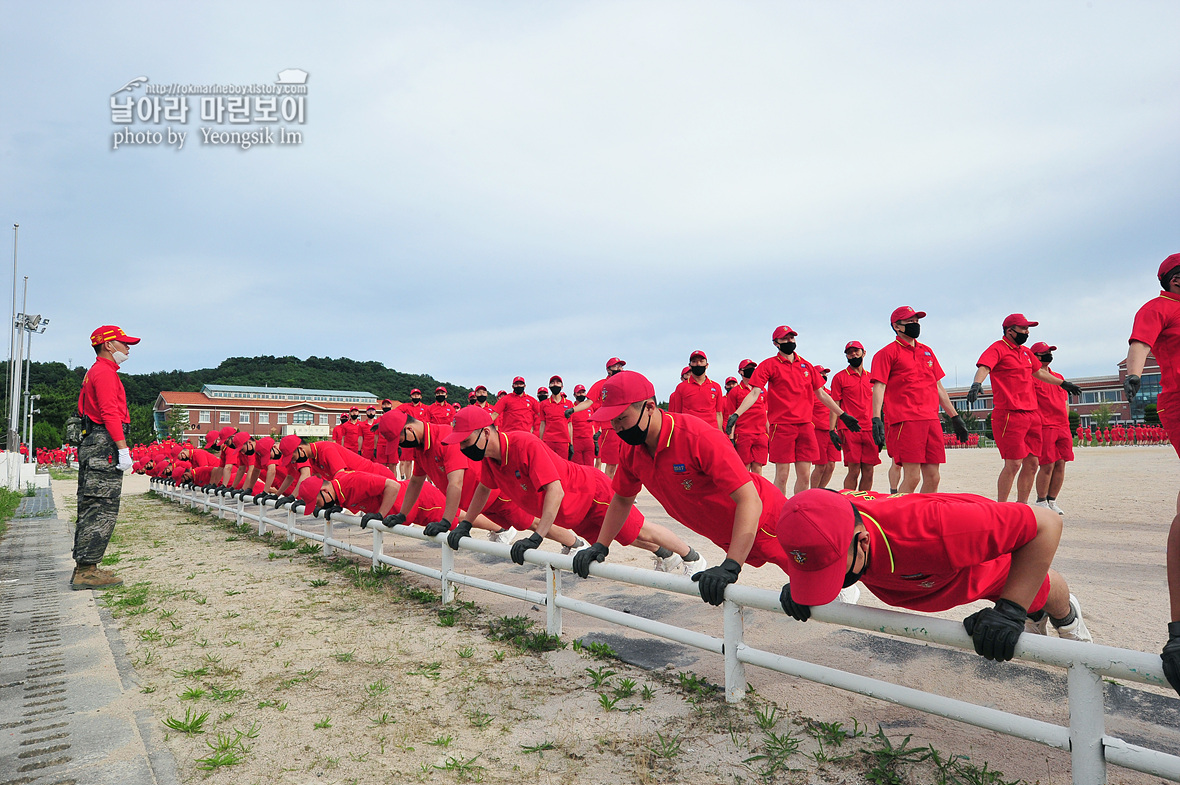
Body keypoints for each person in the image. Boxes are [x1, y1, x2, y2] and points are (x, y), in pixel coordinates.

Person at [577, 370, 843, 604]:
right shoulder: (632, 449)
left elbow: (749, 499)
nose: (616, 427)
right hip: (723, 528)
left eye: (621, 418)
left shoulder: (696, 437)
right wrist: (601, 546)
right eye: (611, 420)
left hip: (763, 520)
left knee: (820, 582)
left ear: (649, 407)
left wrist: (731, 565)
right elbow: (622, 500)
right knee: (809, 589)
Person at [775, 487, 1092, 661]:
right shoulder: (824, 518)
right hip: (908, 575)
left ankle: (1067, 618)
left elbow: (1048, 524)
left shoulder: (936, 528)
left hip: (961, 567)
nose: (827, 576)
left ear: (862, 540)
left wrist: (1010, 610)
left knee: (1041, 589)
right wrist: (806, 584)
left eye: (831, 569)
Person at [443, 406, 700, 572]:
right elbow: (483, 489)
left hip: (589, 493)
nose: (464, 449)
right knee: (627, 537)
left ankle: (692, 557)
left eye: (465, 441)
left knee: (640, 529)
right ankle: (666, 555)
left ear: (486, 432)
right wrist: (465, 524)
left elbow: (555, 490)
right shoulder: (491, 458)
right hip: (574, 511)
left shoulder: (524, 444)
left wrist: (537, 537)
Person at [379, 410, 583, 549]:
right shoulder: (420, 448)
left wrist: (446, 521)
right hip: (477, 500)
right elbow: (415, 481)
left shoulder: (444, 439)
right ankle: (502, 533)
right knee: (511, 523)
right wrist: (403, 515)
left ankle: (574, 544)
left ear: (409, 430)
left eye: (401, 441)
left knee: (529, 522)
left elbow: (455, 483)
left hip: (495, 494)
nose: (402, 446)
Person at [1126, 252, 1180, 697]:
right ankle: (1178, 628)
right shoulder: (1158, 307)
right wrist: (1134, 377)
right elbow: (1140, 344)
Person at [729, 325, 862, 496]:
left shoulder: (806, 365)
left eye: (792, 338)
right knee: (782, 475)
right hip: (782, 426)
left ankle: (799, 509)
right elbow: (755, 392)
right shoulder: (769, 365)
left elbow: (821, 394)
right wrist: (736, 414)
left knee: (805, 475)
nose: (789, 341)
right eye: (785, 339)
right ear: (776, 343)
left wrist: (842, 414)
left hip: (806, 426)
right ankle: (779, 512)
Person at [967, 314, 1083, 504]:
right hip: (1009, 414)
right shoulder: (998, 348)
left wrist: (1063, 383)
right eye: (1023, 329)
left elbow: (1038, 372)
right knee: (1013, 463)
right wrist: (976, 383)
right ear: (1009, 331)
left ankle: (1022, 506)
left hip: (1032, 415)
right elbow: (985, 366)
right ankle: (1002, 506)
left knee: (1032, 463)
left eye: (1028, 329)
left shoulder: (1027, 353)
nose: (1027, 332)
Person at [869, 306, 969, 494]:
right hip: (906, 420)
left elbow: (938, 386)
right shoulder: (887, 353)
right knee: (912, 477)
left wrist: (955, 417)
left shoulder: (927, 351)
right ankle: (897, 519)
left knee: (933, 477)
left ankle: (922, 518)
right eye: (910, 322)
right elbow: (879, 387)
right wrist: (876, 419)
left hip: (930, 419)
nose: (915, 325)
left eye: (917, 321)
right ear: (897, 326)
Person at [72, 325, 140, 590]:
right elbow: (110, 413)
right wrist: (122, 449)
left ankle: (86, 566)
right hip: (104, 443)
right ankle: (87, 570)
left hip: (96, 441)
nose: (128, 347)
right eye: (123, 343)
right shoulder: (104, 372)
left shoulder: (96, 372)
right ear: (108, 345)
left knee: (92, 505)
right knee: (101, 507)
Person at [828, 341, 879, 491]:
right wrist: (832, 429)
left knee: (869, 471)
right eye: (849, 352)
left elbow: (879, 403)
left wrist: (881, 426)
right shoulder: (840, 378)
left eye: (856, 351)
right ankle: (849, 502)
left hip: (870, 428)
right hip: (850, 429)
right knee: (854, 469)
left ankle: (864, 504)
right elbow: (834, 404)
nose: (853, 354)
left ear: (864, 353)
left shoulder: (872, 378)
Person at [1030, 342, 1074, 515]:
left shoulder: (1058, 377)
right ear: (1035, 357)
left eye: (1050, 352)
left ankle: (1052, 500)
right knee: (1047, 465)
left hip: (1062, 426)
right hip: (1045, 425)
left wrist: (1066, 420)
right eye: (1044, 353)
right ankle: (1041, 501)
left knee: (1061, 464)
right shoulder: (1032, 377)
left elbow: (1065, 401)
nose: (1048, 355)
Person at [568, 358, 628, 477]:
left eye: (621, 366)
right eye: (616, 366)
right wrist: (572, 410)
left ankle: (622, 493)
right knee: (611, 465)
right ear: (609, 370)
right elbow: (588, 402)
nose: (620, 369)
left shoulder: (625, 384)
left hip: (626, 428)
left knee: (625, 464)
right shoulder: (601, 385)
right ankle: (609, 493)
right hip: (610, 429)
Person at [725, 359, 768, 474]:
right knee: (745, 468)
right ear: (740, 372)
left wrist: (769, 434)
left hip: (760, 434)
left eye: (753, 368)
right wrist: (731, 438)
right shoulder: (735, 392)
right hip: (743, 434)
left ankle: (758, 492)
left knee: (758, 468)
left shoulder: (762, 390)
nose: (751, 371)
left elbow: (766, 413)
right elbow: (732, 415)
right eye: (747, 369)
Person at [668, 351, 724, 429]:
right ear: (690, 366)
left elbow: (718, 413)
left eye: (701, 361)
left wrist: (720, 433)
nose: (698, 364)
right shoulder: (681, 387)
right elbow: (677, 414)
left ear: (707, 365)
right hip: (690, 432)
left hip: (711, 431)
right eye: (694, 361)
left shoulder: (716, 387)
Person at [809, 367, 840, 489]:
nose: (823, 375)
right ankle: (814, 490)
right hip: (818, 432)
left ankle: (821, 490)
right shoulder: (810, 393)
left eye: (825, 373)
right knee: (820, 465)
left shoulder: (829, 393)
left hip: (831, 431)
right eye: (820, 373)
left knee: (831, 465)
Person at [538, 376, 574, 458]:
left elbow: (569, 424)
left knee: (563, 467)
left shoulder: (568, 404)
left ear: (562, 386)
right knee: (549, 466)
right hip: (549, 440)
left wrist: (571, 443)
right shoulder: (544, 404)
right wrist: (541, 442)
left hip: (563, 441)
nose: (555, 385)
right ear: (549, 386)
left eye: (558, 383)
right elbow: (543, 424)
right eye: (553, 383)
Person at [569, 385, 595, 466]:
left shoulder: (589, 408)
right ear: (574, 395)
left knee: (590, 466)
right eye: (578, 393)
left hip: (589, 441)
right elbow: (569, 426)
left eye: (583, 392)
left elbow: (592, 425)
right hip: (576, 441)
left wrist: (595, 442)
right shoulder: (571, 408)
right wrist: (570, 443)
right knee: (578, 467)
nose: (581, 394)